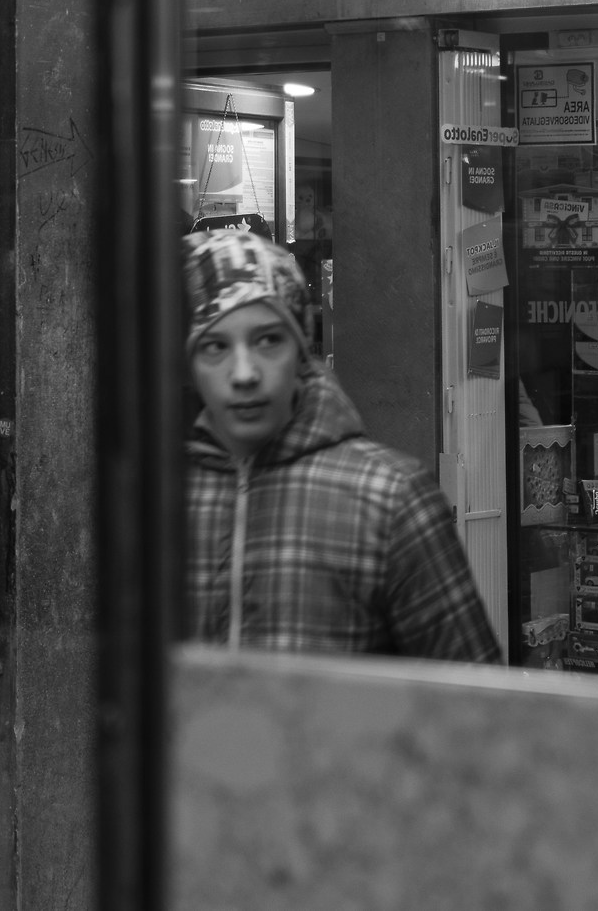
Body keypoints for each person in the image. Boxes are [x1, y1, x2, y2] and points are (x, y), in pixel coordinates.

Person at [183, 228, 501, 662]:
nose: (244, 374)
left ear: (300, 351)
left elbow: (472, 707)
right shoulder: (150, 506)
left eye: (268, 340)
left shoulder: (390, 499)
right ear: (189, 364)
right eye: (216, 346)